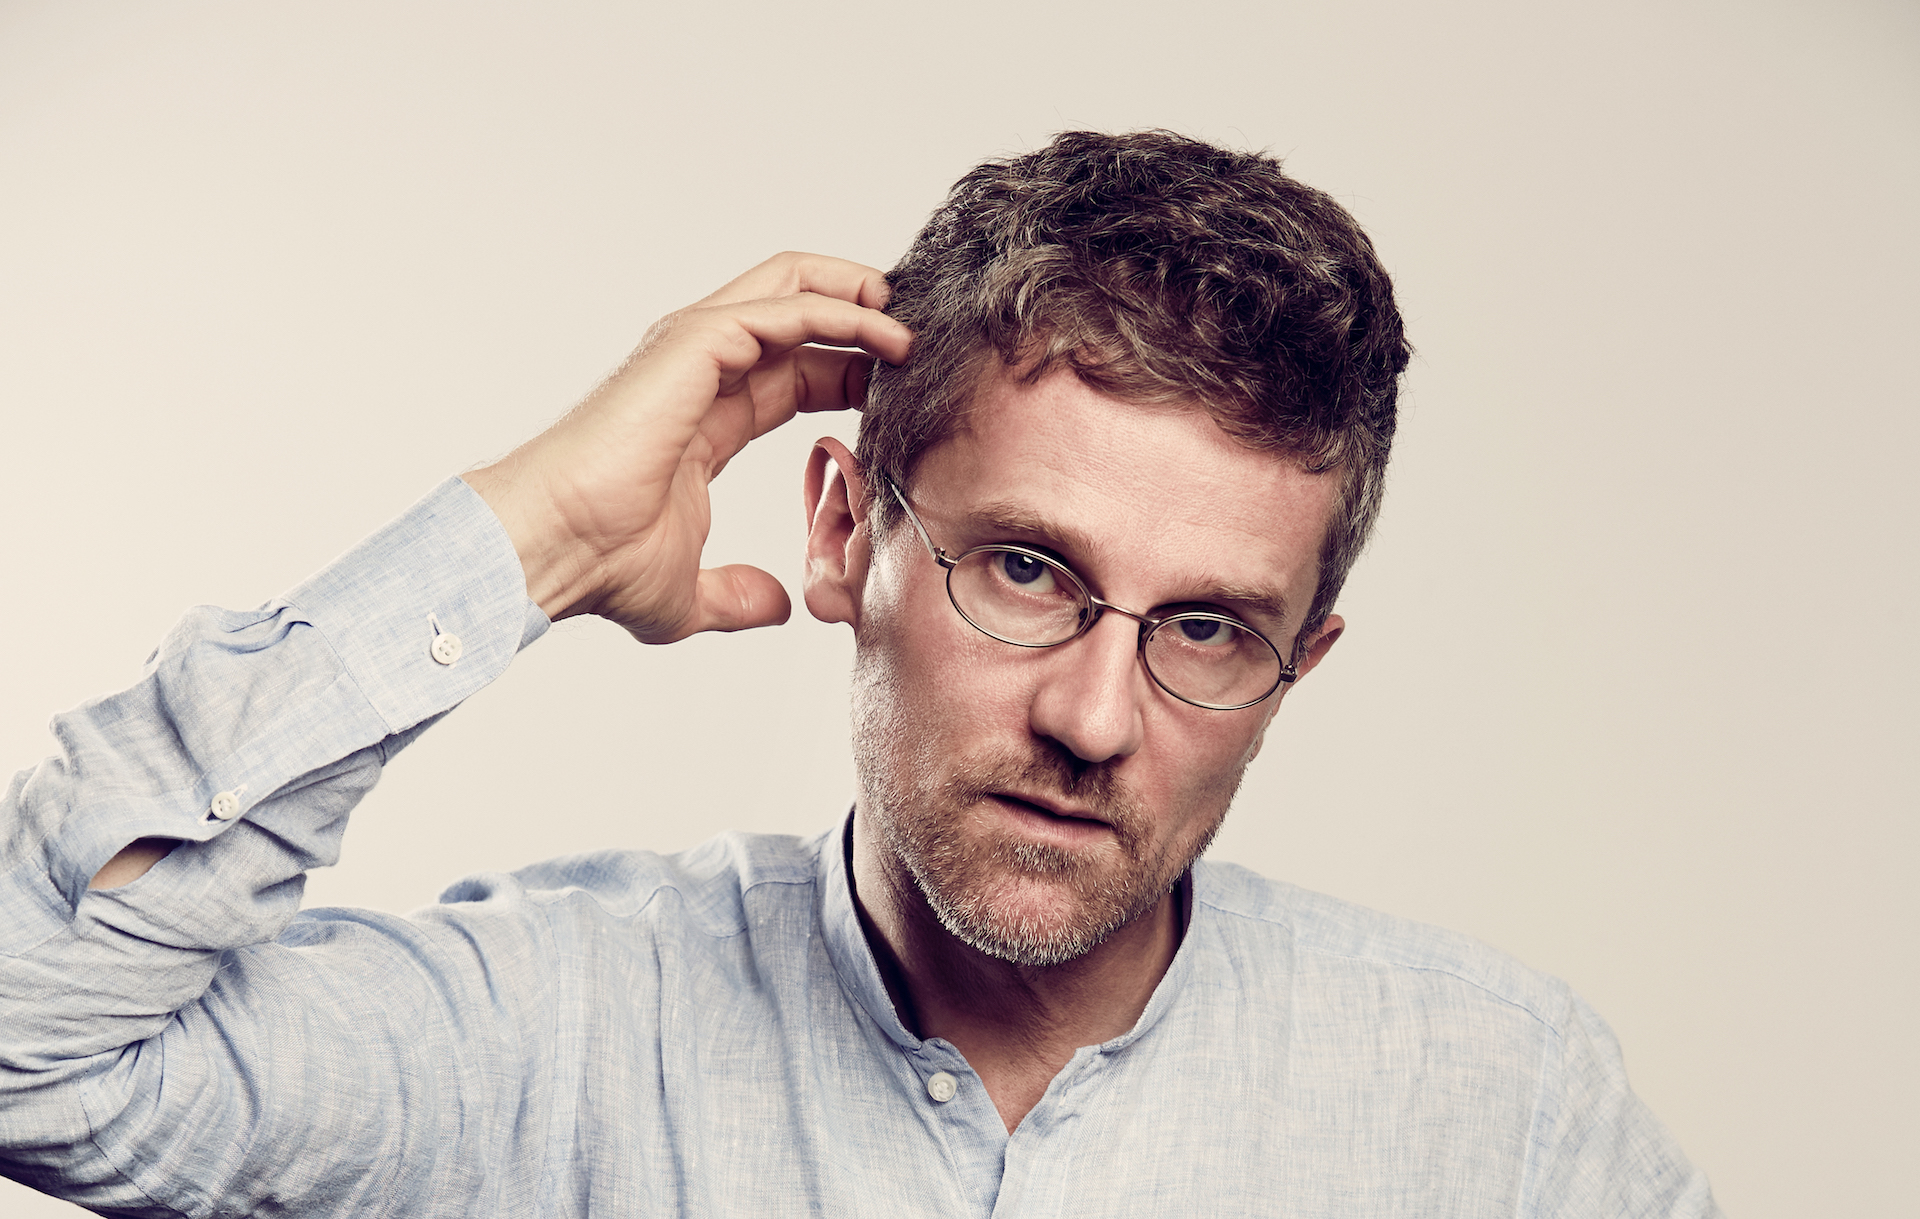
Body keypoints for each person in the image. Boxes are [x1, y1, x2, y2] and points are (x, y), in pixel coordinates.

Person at [0, 131, 1719, 1215]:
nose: (1094, 721)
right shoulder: (552, 1036)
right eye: (1027, 570)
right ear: (843, 532)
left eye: (1206, 628)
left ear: (1299, 665)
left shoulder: (1499, 1111)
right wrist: (536, 536)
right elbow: (34, 1052)